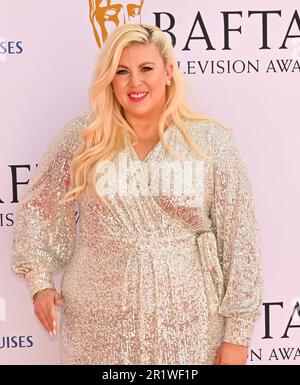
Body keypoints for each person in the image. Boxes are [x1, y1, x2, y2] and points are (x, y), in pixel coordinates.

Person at [11, 23, 263, 365]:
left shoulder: (210, 141)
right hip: (95, 326)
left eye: (146, 69)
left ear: (169, 73)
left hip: (191, 326)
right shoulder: (82, 138)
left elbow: (240, 239)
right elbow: (38, 209)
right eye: (122, 72)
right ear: (110, 81)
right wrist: (40, 282)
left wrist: (238, 335)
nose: (135, 82)